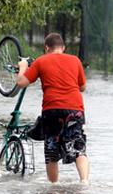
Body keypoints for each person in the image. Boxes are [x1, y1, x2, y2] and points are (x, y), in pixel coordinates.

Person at [16, 33, 89, 183]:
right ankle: (84, 182)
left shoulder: (41, 61)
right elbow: (82, 87)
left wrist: (22, 67)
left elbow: (21, 82)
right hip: (75, 108)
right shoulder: (75, 60)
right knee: (78, 146)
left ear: (46, 48)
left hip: (52, 109)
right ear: (63, 48)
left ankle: (54, 187)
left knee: (52, 148)